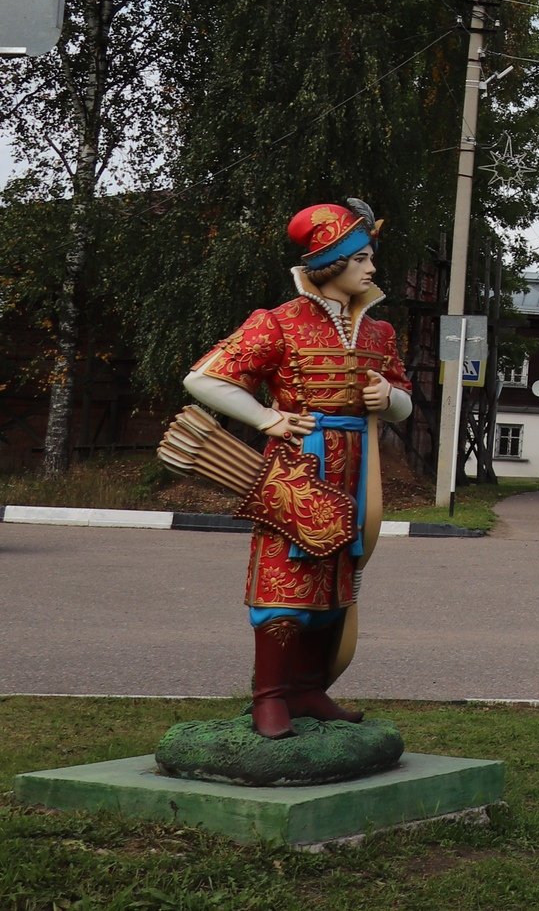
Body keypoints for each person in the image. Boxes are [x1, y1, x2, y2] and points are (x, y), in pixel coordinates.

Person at [181, 200, 413, 739]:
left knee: (338, 584)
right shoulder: (278, 322)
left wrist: (389, 397)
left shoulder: (379, 333)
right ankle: (269, 698)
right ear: (332, 264)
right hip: (297, 469)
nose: (371, 269)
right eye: (361, 259)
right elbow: (204, 379)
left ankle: (309, 689)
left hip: (358, 474)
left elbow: (404, 399)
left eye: (370, 258)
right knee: (285, 582)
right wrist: (266, 417)